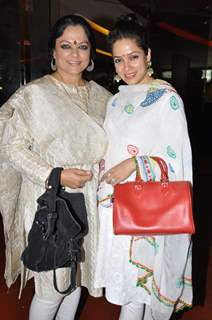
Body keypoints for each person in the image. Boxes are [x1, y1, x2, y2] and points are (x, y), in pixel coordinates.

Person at [0, 14, 111, 320]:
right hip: (50, 200)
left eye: (82, 46)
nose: (75, 54)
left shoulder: (104, 98)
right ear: (53, 51)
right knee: (51, 289)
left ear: (91, 53)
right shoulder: (33, 95)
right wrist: (56, 174)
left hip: (90, 198)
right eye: (66, 45)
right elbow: (11, 148)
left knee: (75, 283)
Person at [94, 14, 193, 320]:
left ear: (148, 55)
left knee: (141, 294)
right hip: (116, 208)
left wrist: (135, 165)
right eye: (119, 60)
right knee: (130, 293)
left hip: (150, 210)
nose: (127, 67)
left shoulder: (166, 100)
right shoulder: (115, 102)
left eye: (133, 57)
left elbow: (178, 162)